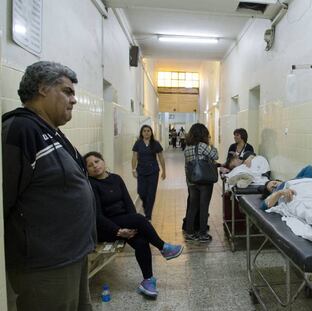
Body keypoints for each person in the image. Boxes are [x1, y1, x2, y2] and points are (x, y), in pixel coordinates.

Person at [2, 61, 96, 311]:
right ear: (43, 89)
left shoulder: (50, 131)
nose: (73, 100)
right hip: (45, 264)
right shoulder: (20, 130)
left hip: (72, 255)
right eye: (67, 91)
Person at [84, 152, 183, 298]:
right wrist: (118, 231)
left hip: (124, 222)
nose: (95, 166)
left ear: (103, 161)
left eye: (97, 161)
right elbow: (98, 216)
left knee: (142, 241)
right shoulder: (92, 185)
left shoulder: (116, 179)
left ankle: (147, 281)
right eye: (90, 165)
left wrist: (132, 226)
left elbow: (129, 204)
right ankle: (163, 247)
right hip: (105, 227)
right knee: (139, 218)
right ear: (87, 170)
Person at [184, 123, 218, 242]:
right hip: (205, 181)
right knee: (204, 207)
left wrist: (189, 183)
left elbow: (186, 167)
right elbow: (215, 156)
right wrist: (212, 146)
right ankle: (203, 234)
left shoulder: (187, 148)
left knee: (192, 207)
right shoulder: (203, 146)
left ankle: (189, 233)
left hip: (192, 182)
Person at [132, 125, 166, 220]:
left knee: (151, 193)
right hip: (141, 171)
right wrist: (133, 169)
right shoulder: (138, 143)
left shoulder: (155, 143)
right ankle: (146, 206)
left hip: (153, 171)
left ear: (151, 132)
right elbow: (134, 156)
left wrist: (164, 170)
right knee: (141, 192)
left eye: (148, 131)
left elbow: (161, 157)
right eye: (144, 131)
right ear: (141, 133)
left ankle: (148, 215)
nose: (146, 132)